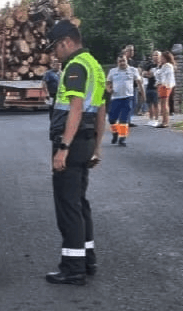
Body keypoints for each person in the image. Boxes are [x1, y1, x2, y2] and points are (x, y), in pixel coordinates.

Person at [45, 20, 107, 285]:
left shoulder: (75, 66)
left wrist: (63, 148)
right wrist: (97, 146)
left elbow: (76, 108)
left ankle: (73, 268)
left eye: (55, 48)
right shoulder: (95, 65)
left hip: (71, 142)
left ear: (66, 42)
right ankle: (87, 259)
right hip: (86, 142)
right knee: (80, 203)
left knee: (68, 206)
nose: (54, 55)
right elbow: (102, 110)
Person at [107, 54, 145, 146]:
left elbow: (139, 82)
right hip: (115, 98)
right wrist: (109, 89)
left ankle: (122, 138)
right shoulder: (113, 71)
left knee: (123, 119)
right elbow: (108, 82)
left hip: (127, 98)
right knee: (112, 119)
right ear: (117, 62)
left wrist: (143, 94)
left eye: (123, 60)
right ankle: (115, 133)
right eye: (120, 61)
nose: (122, 63)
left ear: (126, 60)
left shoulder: (133, 70)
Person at [155, 51, 176, 128]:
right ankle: (164, 120)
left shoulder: (167, 66)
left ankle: (165, 121)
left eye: (162, 58)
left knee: (164, 104)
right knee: (164, 103)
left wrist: (161, 83)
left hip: (164, 86)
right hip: (164, 86)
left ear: (165, 58)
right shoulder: (165, 66)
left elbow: (163, 76)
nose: (160, 59)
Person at [143, 51, 161, 126]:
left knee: (156, 103)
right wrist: (148, 75)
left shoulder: (162, 66)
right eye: (154, 55)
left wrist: (152, 74)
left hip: (158, 87)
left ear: (160, 56)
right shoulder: (150, 65)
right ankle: (151, 119)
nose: (155, 57)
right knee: (149, 103)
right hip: (149, 86)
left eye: (157, 55)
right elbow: (144, 73)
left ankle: (156, 119)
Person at [124, 45, 139, 127]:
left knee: (134, 103)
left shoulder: (133, 62)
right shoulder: (123, 61)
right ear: (126, 51)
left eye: (132, 50)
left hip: (134, 85)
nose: (131, 52)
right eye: (130, 50)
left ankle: (129, 120)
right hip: (127, 85)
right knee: (127, 104)